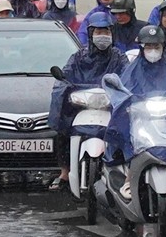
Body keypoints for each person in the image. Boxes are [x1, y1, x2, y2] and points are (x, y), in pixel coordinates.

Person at [111, 25, 166, 200]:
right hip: (139, 121)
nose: (153, 51)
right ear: (142, 48)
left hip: (165, 121)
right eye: (149, 47)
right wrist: (128, 104)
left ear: (163, 48)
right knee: (131, 139)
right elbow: (122, 94)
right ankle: (130, 178)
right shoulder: (131, 72)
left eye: (156, 47)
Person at [47, 11, 129, 190]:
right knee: (62, 129)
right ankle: (64, 172)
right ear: (90, 33)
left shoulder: (118, 57)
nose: (102, 36)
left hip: (109, 106)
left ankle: (125, 171)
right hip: (81, 105)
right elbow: (65, 75)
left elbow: (128, 76)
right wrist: (67, 87)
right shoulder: (78, 57)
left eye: (105, 31)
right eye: (98, 32)